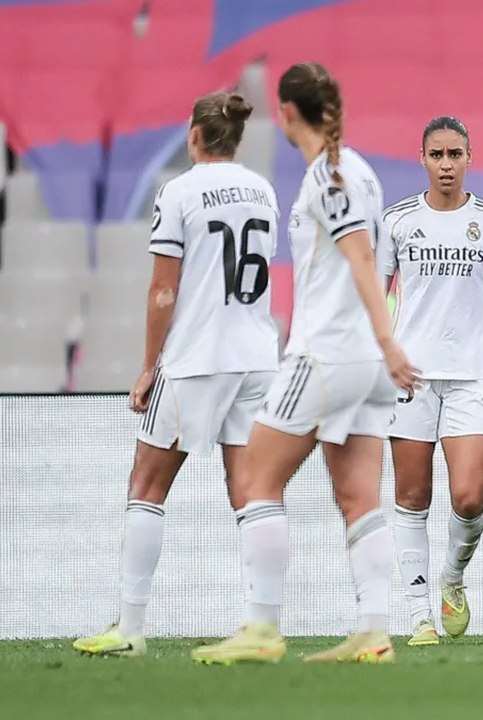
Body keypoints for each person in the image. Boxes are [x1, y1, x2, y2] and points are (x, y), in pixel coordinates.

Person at [191, 62, 418, 665]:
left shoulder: (331, 174)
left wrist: (389, 339)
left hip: (328, 355)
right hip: (366, 365)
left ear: (287, 113)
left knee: (255, 480)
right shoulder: (361, 171)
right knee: (358, 497)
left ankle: (262, 629)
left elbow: (363, 260)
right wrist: (384, 349)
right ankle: (373, 632)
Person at [73, 92, 278, 658]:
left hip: (197, 357)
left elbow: (165, 288)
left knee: (147, 483)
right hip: (258, 354)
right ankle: (261, 628)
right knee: (253, 492)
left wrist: (148, 367)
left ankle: (130, 631)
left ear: (193, 135)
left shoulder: (179, 191)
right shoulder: (261, 189)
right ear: (233, 138)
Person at [379, 116, 483, 647]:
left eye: (454, 154)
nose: (446, 164)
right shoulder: (397, 221)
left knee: (468, 497)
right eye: (436, 155)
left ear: (470, 157)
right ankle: (418, 615)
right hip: (412, 377)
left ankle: (452, 574)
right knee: (412, 495)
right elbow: (378, 295)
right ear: (422, 159)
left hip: (473, 375)